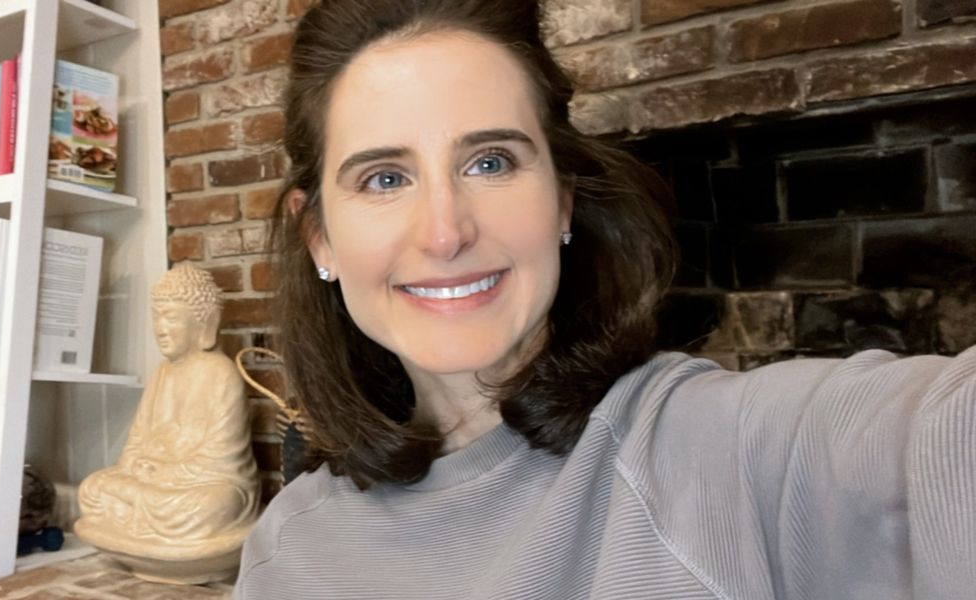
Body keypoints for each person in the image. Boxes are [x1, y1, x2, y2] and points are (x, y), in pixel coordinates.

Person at [232, 1, 976, 598]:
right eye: (385, 178)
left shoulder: (726, 449)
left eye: (490, 162)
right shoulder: (288, 548)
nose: (445, 232)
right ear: (319, 237)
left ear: (561, 201)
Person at [77, 264, 258, 581]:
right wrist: (138, 465)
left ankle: (141, 517)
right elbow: (136, 441)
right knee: (92, 489)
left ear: (204, 322)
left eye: (172, 317)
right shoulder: (162, 372)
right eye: (156, 317)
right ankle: (143, 514)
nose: (160, 328)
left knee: (211, 507)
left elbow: (223, 459)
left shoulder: (222, 374)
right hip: (153, 483)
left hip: (201, 485)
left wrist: (163, 473)